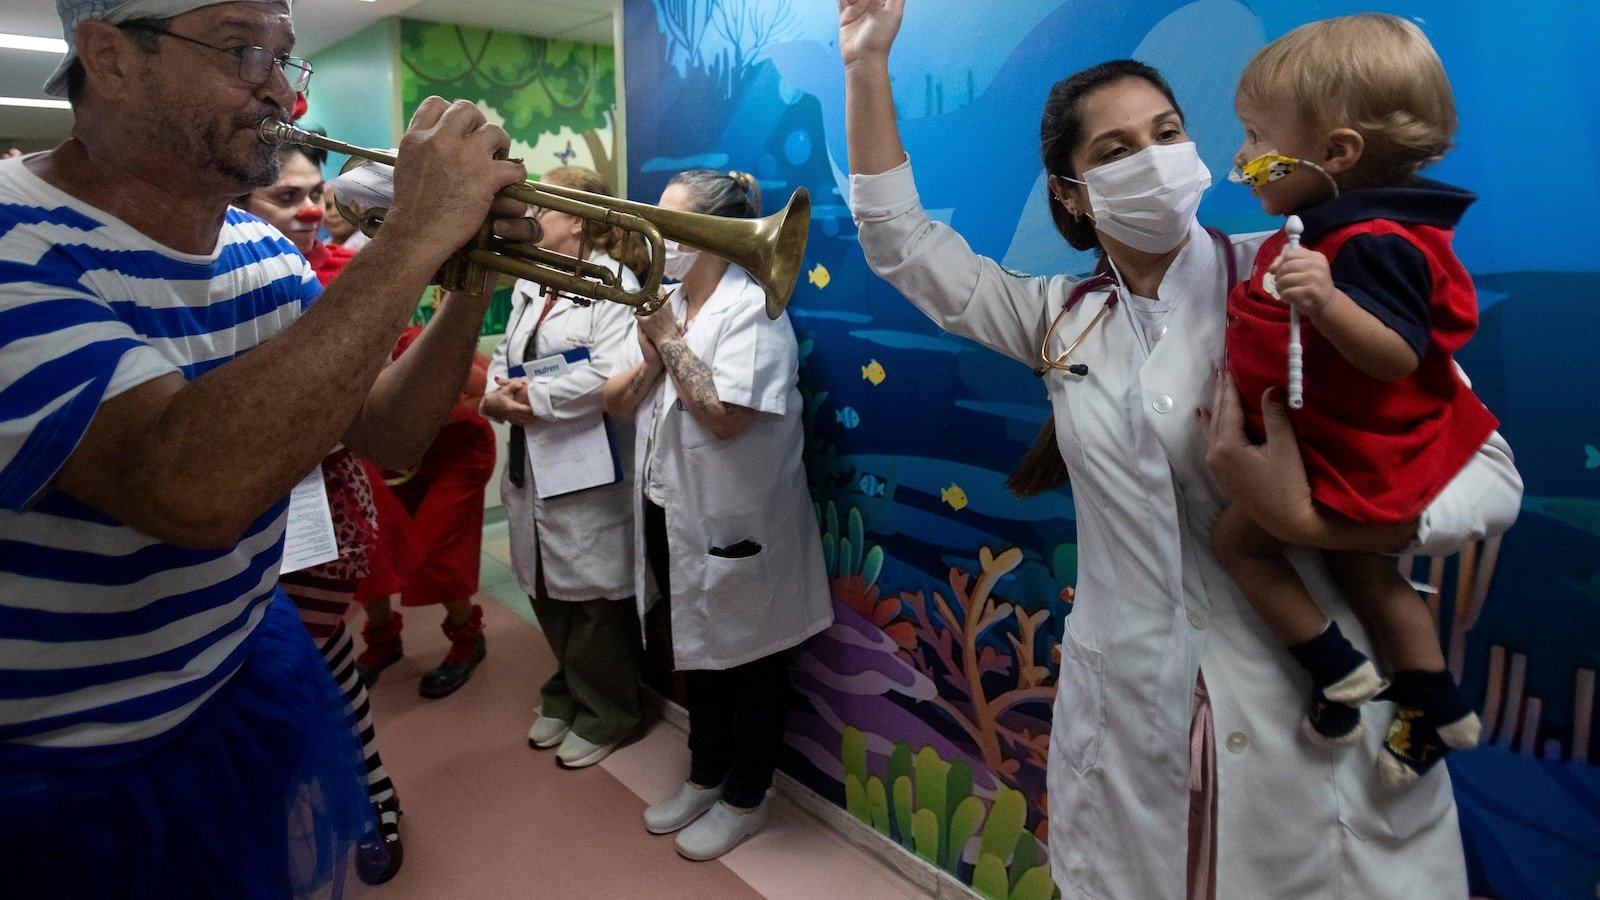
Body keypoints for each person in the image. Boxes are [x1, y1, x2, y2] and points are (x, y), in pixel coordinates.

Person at [837, 0, 1522, 897]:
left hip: (1307, 730)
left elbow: (1490, 478)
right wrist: (865, 65)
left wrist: (1306, 518)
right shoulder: (1059, 322)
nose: (1154, 161)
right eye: (1116, 151)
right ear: (1071, 193)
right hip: (1132, 722)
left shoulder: (1297, 276)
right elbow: (902, 244)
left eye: (1168, 133)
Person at [0, 0, 529, 895]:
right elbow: (191, 490)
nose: (282, 91)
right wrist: (413, 234)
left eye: (286, 58)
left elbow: (390, 435)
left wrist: (471, 276)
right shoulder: (17, 246)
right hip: (63, 765)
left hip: (231, 679)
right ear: (111, 59)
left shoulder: (261, 250)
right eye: (245, 54)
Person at [1212, 13, 1497, 787]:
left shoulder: (1373, 241)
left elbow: (1399, 353)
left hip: (1357, 458)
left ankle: (1337, 668)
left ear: (1336, 153)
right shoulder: (1334, 228)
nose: (1239, 158)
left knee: (1242, 544)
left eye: (1252, 136)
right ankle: (1436, 704)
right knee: (1371, 577)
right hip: (1338, 444)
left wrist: (1329, 304)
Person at [604, 169, 833, 861]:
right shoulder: (666, 300)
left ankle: (747, 796)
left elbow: (724, 417)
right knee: (697, 652)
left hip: (736, 526)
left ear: (708, 235)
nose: (659, 234)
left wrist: (669, 339)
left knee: (752, 661)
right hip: (671, 510)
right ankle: (706, 773)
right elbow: (619, 398)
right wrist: (656, 343)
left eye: (671, 221)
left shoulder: (754, 311)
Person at [236, 137, 405, 884]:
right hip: (241, 521)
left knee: (331, 666)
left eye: (315, 194)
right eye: (287, 197)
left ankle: (375, 802)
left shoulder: (335, 272)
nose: (312, 209)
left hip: (314, 512)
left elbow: (380, 409)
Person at [481, 165, 651, 768]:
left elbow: (610, 371)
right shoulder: (534, 283)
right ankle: (569, 688)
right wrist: (494, 397)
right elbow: (506, 354)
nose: (531, 220)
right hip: (533, 458)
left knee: (594, 595)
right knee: (545, 584)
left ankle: (610, 711)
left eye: (542, 210)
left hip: (588, 462)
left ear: (576, 218)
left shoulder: (613, 283)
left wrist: (535, 399)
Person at [354, 309, 498, 699]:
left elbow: (486, 392)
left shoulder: (417, 344)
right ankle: (383, 638)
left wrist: (411, 416)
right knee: (370, 545)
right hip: (396, 452)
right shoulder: (345, 354)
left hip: (458, 451)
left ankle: (468, 637)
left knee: (434, 547)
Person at [323, 183, 370, 250]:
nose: (333, 213)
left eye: (342, 205)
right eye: (327, 206)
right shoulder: (322, 247)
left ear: (359, 209)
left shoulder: (368, 245)